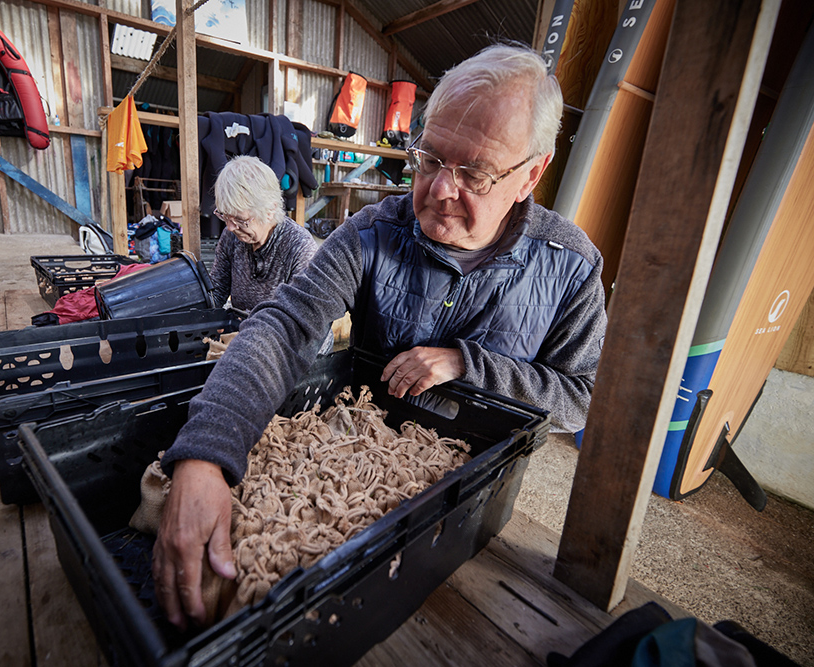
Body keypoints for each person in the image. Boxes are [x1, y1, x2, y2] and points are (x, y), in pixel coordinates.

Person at [150, 42, 609, 630]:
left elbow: (577, 399)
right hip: (367, 444)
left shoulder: (569, 266)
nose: (442, 189)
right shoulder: (373, 231)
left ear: (531, 175)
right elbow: (286, 325)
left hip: (474, 506)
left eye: (475, 173)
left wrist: (467, 364)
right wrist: (205, 456)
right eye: (430, 159)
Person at [208, 155, 320, 314]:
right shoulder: (231, 237)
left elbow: (303, 320)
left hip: (280, 336)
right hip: (244, 330)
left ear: (270, 210)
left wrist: (250, 336)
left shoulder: (299, 248)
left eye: (241, 219)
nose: (230, 227)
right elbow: (216, 293)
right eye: (225, 216)